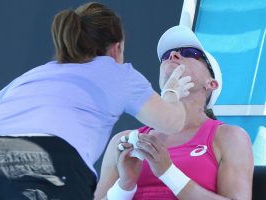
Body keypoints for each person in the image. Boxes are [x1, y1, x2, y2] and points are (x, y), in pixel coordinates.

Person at [0, 3, 193, 200]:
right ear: (117, 48)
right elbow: (172, 123)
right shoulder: (116, 72)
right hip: (49, 160)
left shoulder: (30, 76)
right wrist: (172, 92)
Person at [94, 25, 254, 200]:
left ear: (211, 84)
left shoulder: (229, 137)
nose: (172, 56)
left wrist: (168, 173)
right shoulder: (122, 141)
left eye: (189, 53)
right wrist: (125, 186)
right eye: (165, 56)